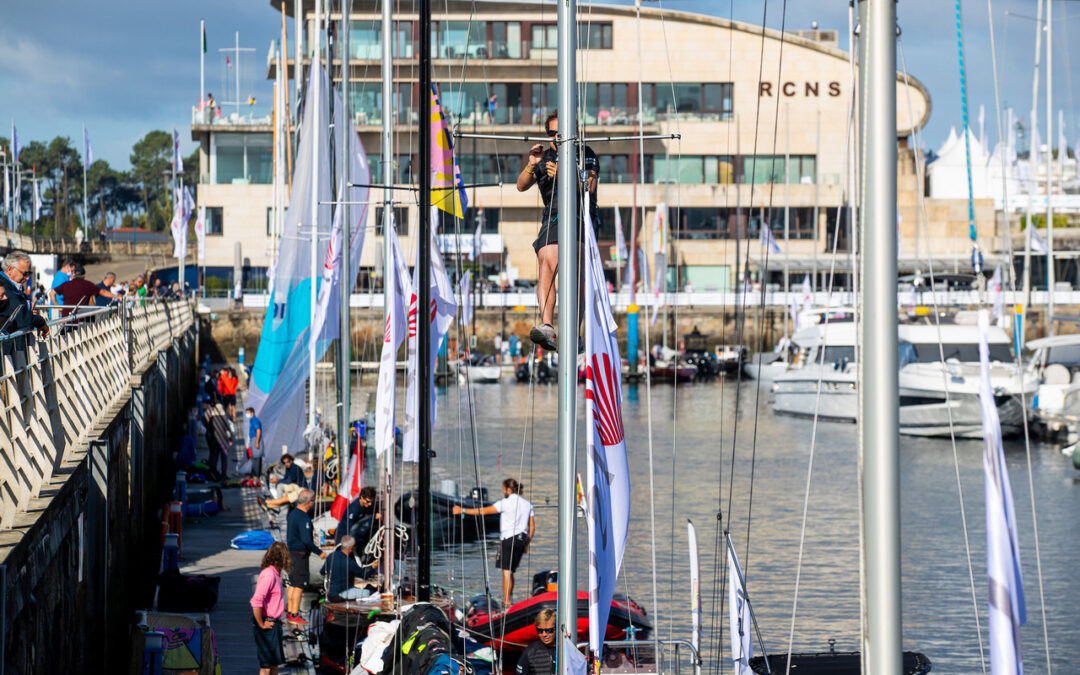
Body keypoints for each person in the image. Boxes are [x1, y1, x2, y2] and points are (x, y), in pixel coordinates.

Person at [515, 111, 599, 352]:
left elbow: (588, 187)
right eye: (552, 134)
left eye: (562, 134)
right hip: (553, 216)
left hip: (580, 216)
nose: (557, 138)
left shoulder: (585, 154)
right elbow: (521, 185)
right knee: (546, 260)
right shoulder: (544, 157)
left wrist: (564, 173)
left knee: (577, 272)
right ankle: (548, 326)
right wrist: (532, 165)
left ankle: (575, 332)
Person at [453, 477, 534, 605]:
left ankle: (506, 602)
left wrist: (462, 510)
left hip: (508, 539)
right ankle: (509, 599)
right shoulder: (527, 504)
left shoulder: (504, 503)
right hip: (521, 539)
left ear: (508, 489)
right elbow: (532, 527)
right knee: (511, 571)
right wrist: (526, 544)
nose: (503, 491)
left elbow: (482, 511)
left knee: (506, 572)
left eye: (503, 489)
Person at [285, 489, 327, 625]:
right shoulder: (304, 518)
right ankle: (295, 614)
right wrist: (319, 552)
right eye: (313, 501)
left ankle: (290, 612)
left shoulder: (292, 514)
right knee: (299, 585)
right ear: (308, 502)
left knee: (292, 583)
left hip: (291, 552)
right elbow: (307, 541)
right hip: (300, 555)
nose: (313, 503)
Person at [251, 541, 290, 675]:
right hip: (267, 624)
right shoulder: (269, 575)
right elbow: (256, 601)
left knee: (274, 664)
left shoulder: (276, 574)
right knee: (266, 666)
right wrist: (261, 624)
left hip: (274, 623)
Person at [0, 251, 49, 354]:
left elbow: (17, 312)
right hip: (8, 351)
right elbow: (22, 318)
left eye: (29, 274)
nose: (27, 278)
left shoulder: (11, 286)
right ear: (10, 270)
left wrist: (27, 312)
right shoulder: (4, 288)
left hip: (14, 347)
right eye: (25, 273)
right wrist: (41, 322)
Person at [320, 535, 373, 602]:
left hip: (330, 595)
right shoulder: (350, 562)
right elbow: (364, 575)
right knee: (369, 592)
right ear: (351, 548)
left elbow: (322, 572)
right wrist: (373, 567)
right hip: (342, 594)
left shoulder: (331, 556)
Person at [516, 609, 557, 675]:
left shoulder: (566, 649)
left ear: (556, 628)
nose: (544, 634)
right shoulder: (530, 652)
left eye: (549, 630)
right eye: (540, 630)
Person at [201, 402, 232, 481]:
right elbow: (228, 429)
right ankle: (223, 476)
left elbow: (209, 429)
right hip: (223, 441)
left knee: (214, 459)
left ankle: (213, 475)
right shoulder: (224, 417)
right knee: (224, 459)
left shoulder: (212, 419)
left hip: (215, 441)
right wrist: (230, 439)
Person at [246, 407, 263, 475]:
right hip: (253, 439)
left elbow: (258, 431)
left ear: (252, 413)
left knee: (256, 458)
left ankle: (256, 474)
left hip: (255, 439)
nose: (247, 415)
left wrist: (257, 442)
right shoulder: (251, 420)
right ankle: (254, 473)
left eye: (248, 413)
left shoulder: (254, 420)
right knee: (253, 457)